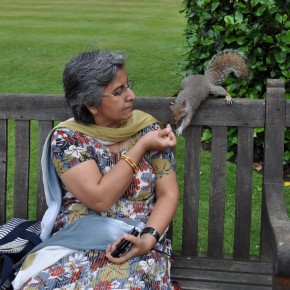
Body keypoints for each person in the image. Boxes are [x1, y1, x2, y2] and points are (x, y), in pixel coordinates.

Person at [12, 50, 180, 289]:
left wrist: (147, 239)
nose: (131, 96)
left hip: (136, 245)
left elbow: (168, 194)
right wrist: (141, 148)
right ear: (91, 104)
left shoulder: (147, 128)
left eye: (128, 86)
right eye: (119, 92)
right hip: (77, 244)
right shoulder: (67, 139)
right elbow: (100, 199)